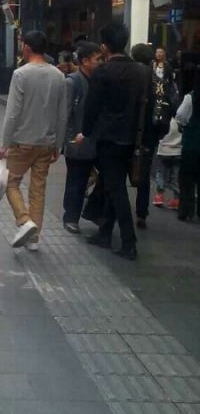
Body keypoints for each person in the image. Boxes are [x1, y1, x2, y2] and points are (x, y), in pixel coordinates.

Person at [76, 23, 149, 260]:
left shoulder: (103, 72)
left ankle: (129, 241)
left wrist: (86, 132)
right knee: (110, 184)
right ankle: (105, 232)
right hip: (132, 138)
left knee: (116, 189)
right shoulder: (141, 71)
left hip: (108, 137)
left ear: (105, 47)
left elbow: (92, 106)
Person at [0, 30, 68, 251]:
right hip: (46, 142)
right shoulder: (58, 75)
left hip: (22, 141)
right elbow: (62, 114)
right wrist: (58, 144)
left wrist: (5, 143)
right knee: (38, 189)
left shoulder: (21, 74)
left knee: (11, 183)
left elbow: (12, 113)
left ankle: (24, 220)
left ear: (27, 47)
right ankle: (34, 238)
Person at [62, 42, 103, 233]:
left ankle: (93, 212)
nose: (101, 62)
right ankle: (71, 217)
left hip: (96, 140)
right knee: (76, 181)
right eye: (98, 59)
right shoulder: (72, 82)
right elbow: (65, 114)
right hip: (77, 141)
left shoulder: (99, 80)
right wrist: (68, 141)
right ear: (85, 61)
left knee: (99, 178)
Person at [131, 44, 159, 229]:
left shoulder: (132, 77)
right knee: (144, 177)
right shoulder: (157, 80)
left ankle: (113, 212)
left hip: (130, 133)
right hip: (149, 135)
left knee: (119, 174)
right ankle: (142, 213)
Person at [174, 72, 200, 221]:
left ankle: (186, 209)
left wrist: (182, 126)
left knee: (186, 178)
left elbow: (180, 116)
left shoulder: (191, 97)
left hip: (192, 144)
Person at [153, 116, 182, 210]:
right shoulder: (182, 121)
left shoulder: (165, 120)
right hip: (178, 152)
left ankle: (159, 196)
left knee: (161, 173)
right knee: (176, 176)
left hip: (164, 151)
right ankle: (177, 199)